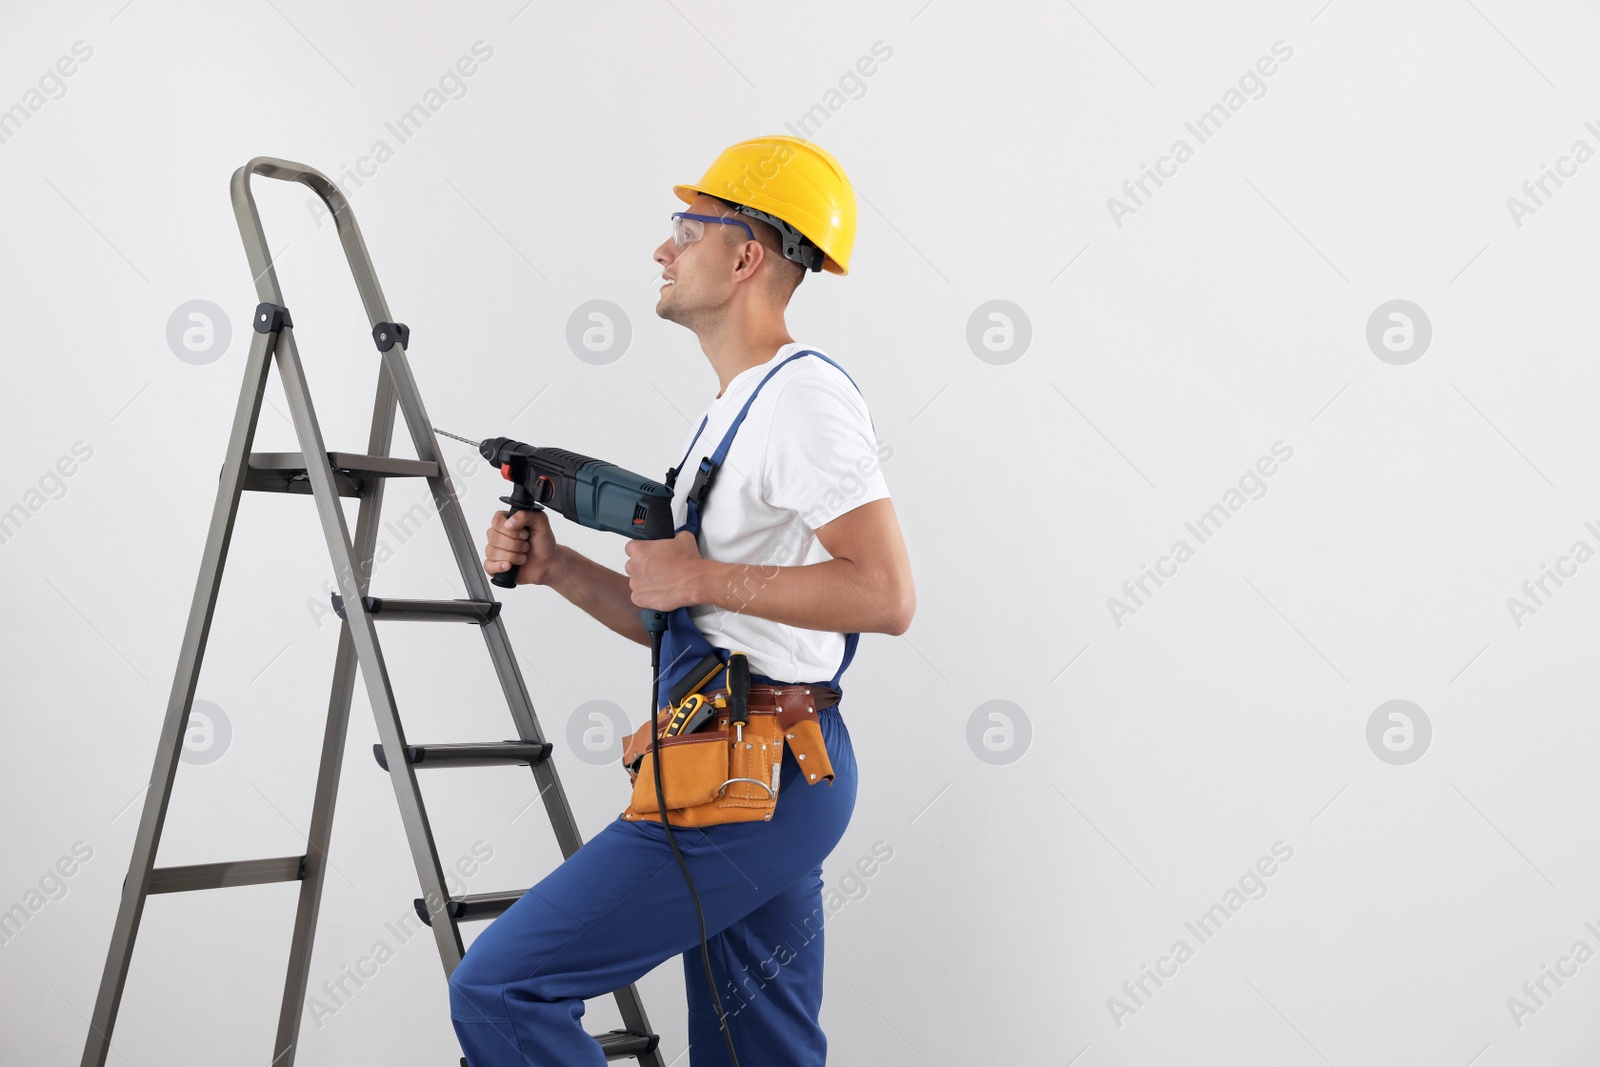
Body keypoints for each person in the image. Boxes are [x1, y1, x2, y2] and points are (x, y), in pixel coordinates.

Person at [449, 135, 915, 1067]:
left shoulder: (803, 399)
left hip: (759, 777)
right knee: (759, 1053)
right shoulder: (733, 409)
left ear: (745, 256)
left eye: (684, 229)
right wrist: (561, 567)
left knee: (501, 989)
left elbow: (885, 593)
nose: (663, 251)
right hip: (750, 761)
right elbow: (700, 624)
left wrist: (700, 574)